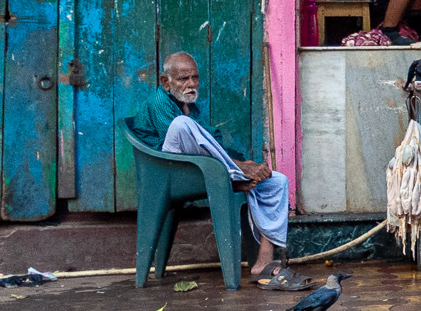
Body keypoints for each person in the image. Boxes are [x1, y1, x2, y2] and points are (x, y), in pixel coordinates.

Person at [130, 52, 304, 291]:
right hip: (170, 173)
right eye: (183, 79)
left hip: (202, 169)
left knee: (278, 181)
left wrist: (237, 160)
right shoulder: (160, 103)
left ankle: (263, 261)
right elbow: (178, 146)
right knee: (182, 124)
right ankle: (235, 173)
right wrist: (240, 166)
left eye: (195, 77)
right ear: (165, 82)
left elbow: (211, 141)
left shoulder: (190, 106)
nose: (191, 84)